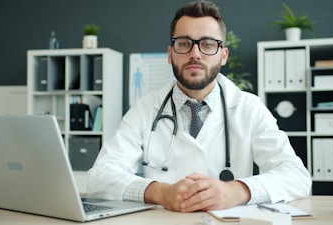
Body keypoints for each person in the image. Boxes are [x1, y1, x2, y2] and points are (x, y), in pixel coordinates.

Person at [87, 0, 311, 213]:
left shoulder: (249, 108)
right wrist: (158, 192)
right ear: (170, 54)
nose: (195, 53)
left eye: (207, 44)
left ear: (223, 55)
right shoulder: (145, 109)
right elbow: (99, 177)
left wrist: (237, 190)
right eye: (184, 43)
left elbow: (296, 176)